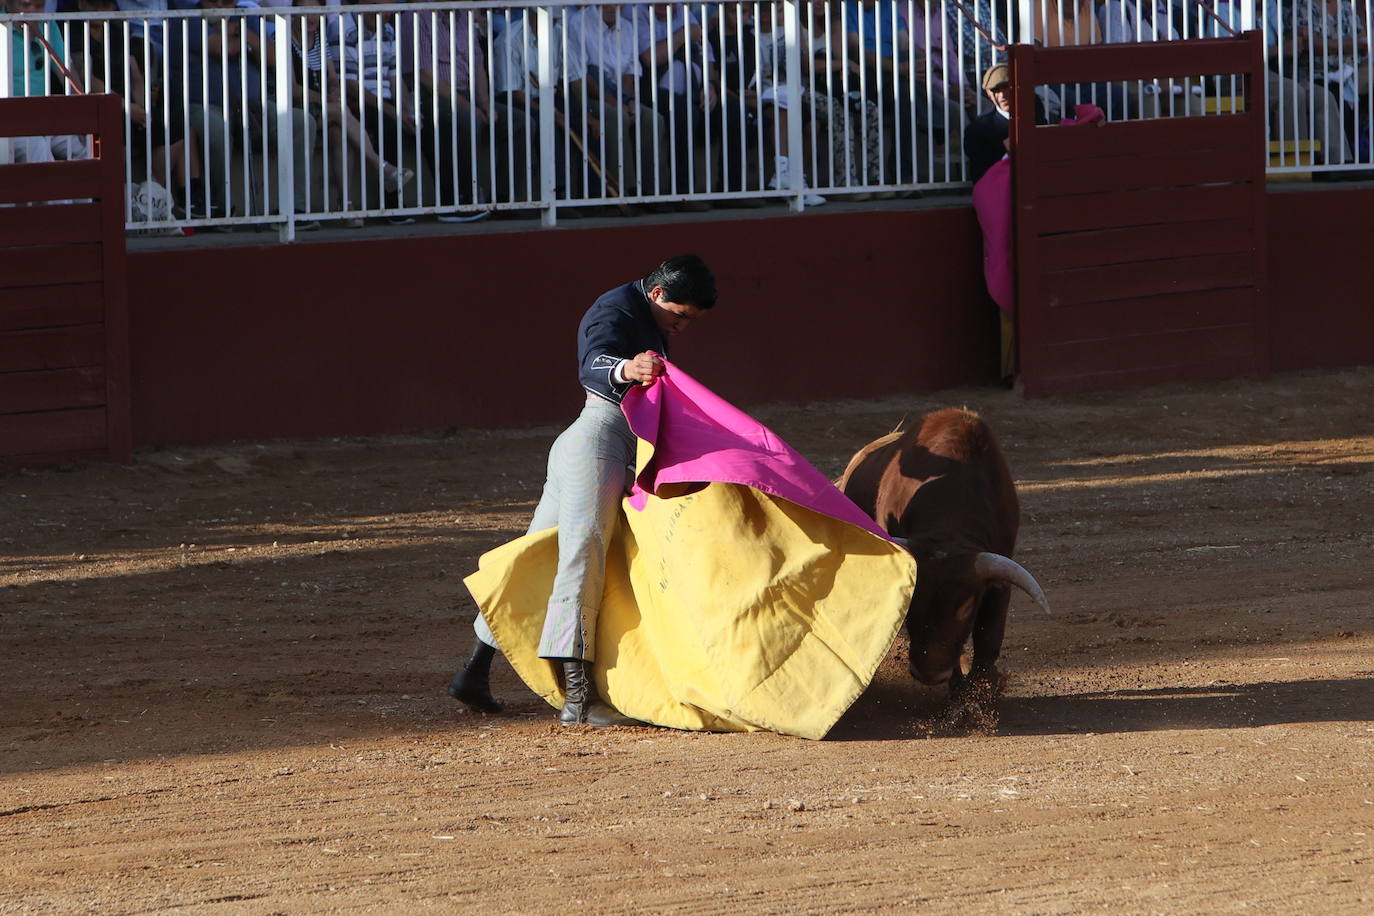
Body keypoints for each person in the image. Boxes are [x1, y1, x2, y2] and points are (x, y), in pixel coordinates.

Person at [449, 254, 719, 728]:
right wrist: (627, 368)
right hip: (597, 444)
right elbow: (594, 362)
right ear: (657, 293)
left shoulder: (647, 312)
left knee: (536, 555)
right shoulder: (614, 308)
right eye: (679, 316)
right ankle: (578, 699)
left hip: (600, 445)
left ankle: (473, 673)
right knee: (583, 557)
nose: (682, 327)